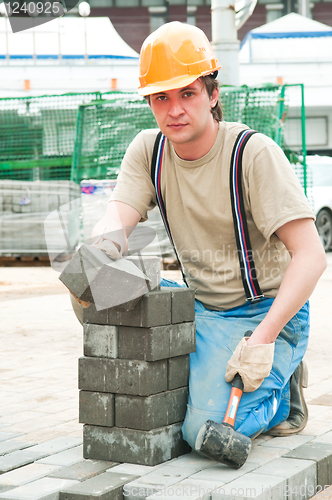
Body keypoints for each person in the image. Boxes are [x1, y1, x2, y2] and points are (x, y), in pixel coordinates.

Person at [92, 21, 327, 458]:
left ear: (213, 94)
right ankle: (193, 374)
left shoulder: (252, 154)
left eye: (187, 93)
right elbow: (117, 218)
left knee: (204, 432)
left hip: (263, 313)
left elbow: (312, 256)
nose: (175, 109)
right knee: (96, 290)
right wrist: (101, 254)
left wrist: (263, 340)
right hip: (198, 304)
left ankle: (282, 391)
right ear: (149, 101)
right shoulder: (149, 151)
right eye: (162, 97)